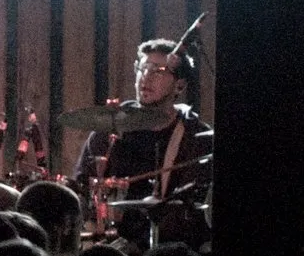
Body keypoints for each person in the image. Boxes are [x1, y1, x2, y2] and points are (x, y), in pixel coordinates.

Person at [72, 39, 213, 201]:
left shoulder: (195, 137)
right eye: (142, 68)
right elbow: (82, 187)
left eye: (157, 71)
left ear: (179, 86)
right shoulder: (111, 126)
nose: (146, 77)